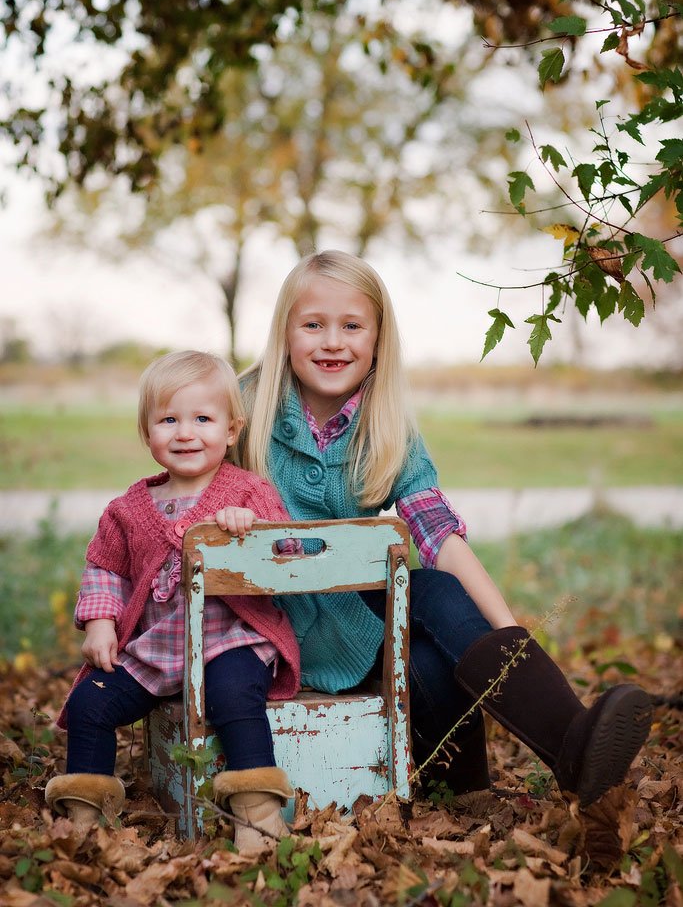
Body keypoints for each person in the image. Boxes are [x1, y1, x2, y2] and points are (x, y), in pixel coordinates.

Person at [224, 250, 652, 808]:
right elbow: (180, 484)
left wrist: (508, 637)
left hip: (353, 616)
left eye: (352, 326)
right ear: (284, 332)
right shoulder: (244, 405)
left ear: (378, 339)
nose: (333, 342)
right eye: (313, 325)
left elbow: (439, 536)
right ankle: (564, 747)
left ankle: (496, 780)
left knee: (434, 632)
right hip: (273, 626)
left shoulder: (387, 425)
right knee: (427, 621)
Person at [45, 351, 300, 852]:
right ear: (147, 433)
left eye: (203, 419)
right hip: (157, 646)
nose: (185, 433)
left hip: (231, 637)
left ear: (231, 430)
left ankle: (257, 813)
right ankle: (85, 815)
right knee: (89, 700)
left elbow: (287, 554)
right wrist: (100, 623)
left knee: (233, 694)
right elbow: (105, 568)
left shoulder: (247, 493)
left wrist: (251, 531)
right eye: (168, 420)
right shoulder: (128, 509)